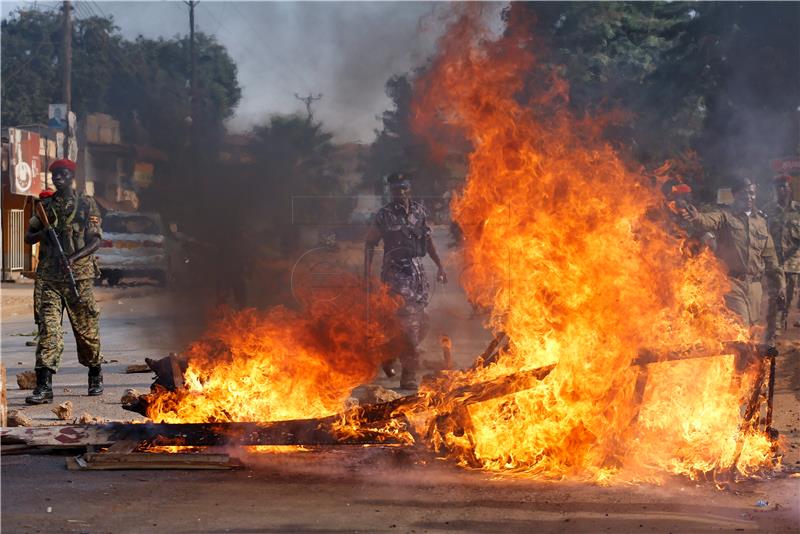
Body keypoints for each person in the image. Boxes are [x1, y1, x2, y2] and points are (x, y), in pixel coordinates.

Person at [24, 159, 104, 404]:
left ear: (72, 176)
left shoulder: (86, 204)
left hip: (78, 276)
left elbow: (95, 240)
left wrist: (73, 258)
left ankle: (95, 373)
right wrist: (43, 234)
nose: (57, 178)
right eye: (55, 174)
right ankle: (44, 386)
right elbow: (28, 237)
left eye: (63, 174)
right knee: (49, 330)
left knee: (86, 330)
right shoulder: (44, 206)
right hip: (49, 277)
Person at [365, 173, 447, 389]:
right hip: (395, 273)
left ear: (408, 189)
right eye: (394, 190)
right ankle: (408, 375)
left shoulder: (419, 211)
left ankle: (389, 352)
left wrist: (439, 265)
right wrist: (366, 273)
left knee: (423, 322)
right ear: (390, 192)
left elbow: (427, 240)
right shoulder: (384, 215)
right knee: (409, 322)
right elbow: (369, 243)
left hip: (417, 273)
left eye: (402, 189)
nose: (399, 193)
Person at [683, 177, 785, 344]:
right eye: (745, 193)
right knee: (741, 331)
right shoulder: (725, 216)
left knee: (753, 332)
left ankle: (748, 369)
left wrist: (780, 285)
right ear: (735, 194)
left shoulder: (761, 222)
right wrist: (696, 217)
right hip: (733, 285)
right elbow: (707, 220)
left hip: (755, 287)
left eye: (752, 193)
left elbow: (771, 258)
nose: (749, 197)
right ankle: (738, 367)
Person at [765, 175, 800, 329]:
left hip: (793, 265)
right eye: (778, 187)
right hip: (774, 264)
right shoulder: (767, 211)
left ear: (789, 189)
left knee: (789, 299)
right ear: (774, 190)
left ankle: (782, 321)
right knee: (775, 298)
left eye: (784, 186)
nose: (781, 190)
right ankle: (774, 331)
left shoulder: (798, 210)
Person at [25, 190, 56, 348]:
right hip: (45, 268)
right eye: (42, 202)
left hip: (66, 268)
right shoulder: (37, 220)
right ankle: (42, 333)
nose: (44, 205)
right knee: (39, 300)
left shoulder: (61, 217)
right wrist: (42, 233)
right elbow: (28, 238)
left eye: (47, 201)